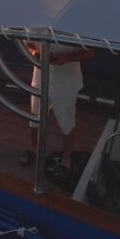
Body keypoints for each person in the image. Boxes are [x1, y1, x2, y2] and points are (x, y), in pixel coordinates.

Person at [18, 41, 93, 180]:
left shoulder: (76, 25)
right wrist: (35, 53)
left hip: (66, 83)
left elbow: (89, 51)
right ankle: (35, 150)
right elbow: (27, 42)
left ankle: (66, 159)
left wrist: (67, 58)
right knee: (34, 117)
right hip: (40, 79)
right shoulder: (36, 22)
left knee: (67, 122)